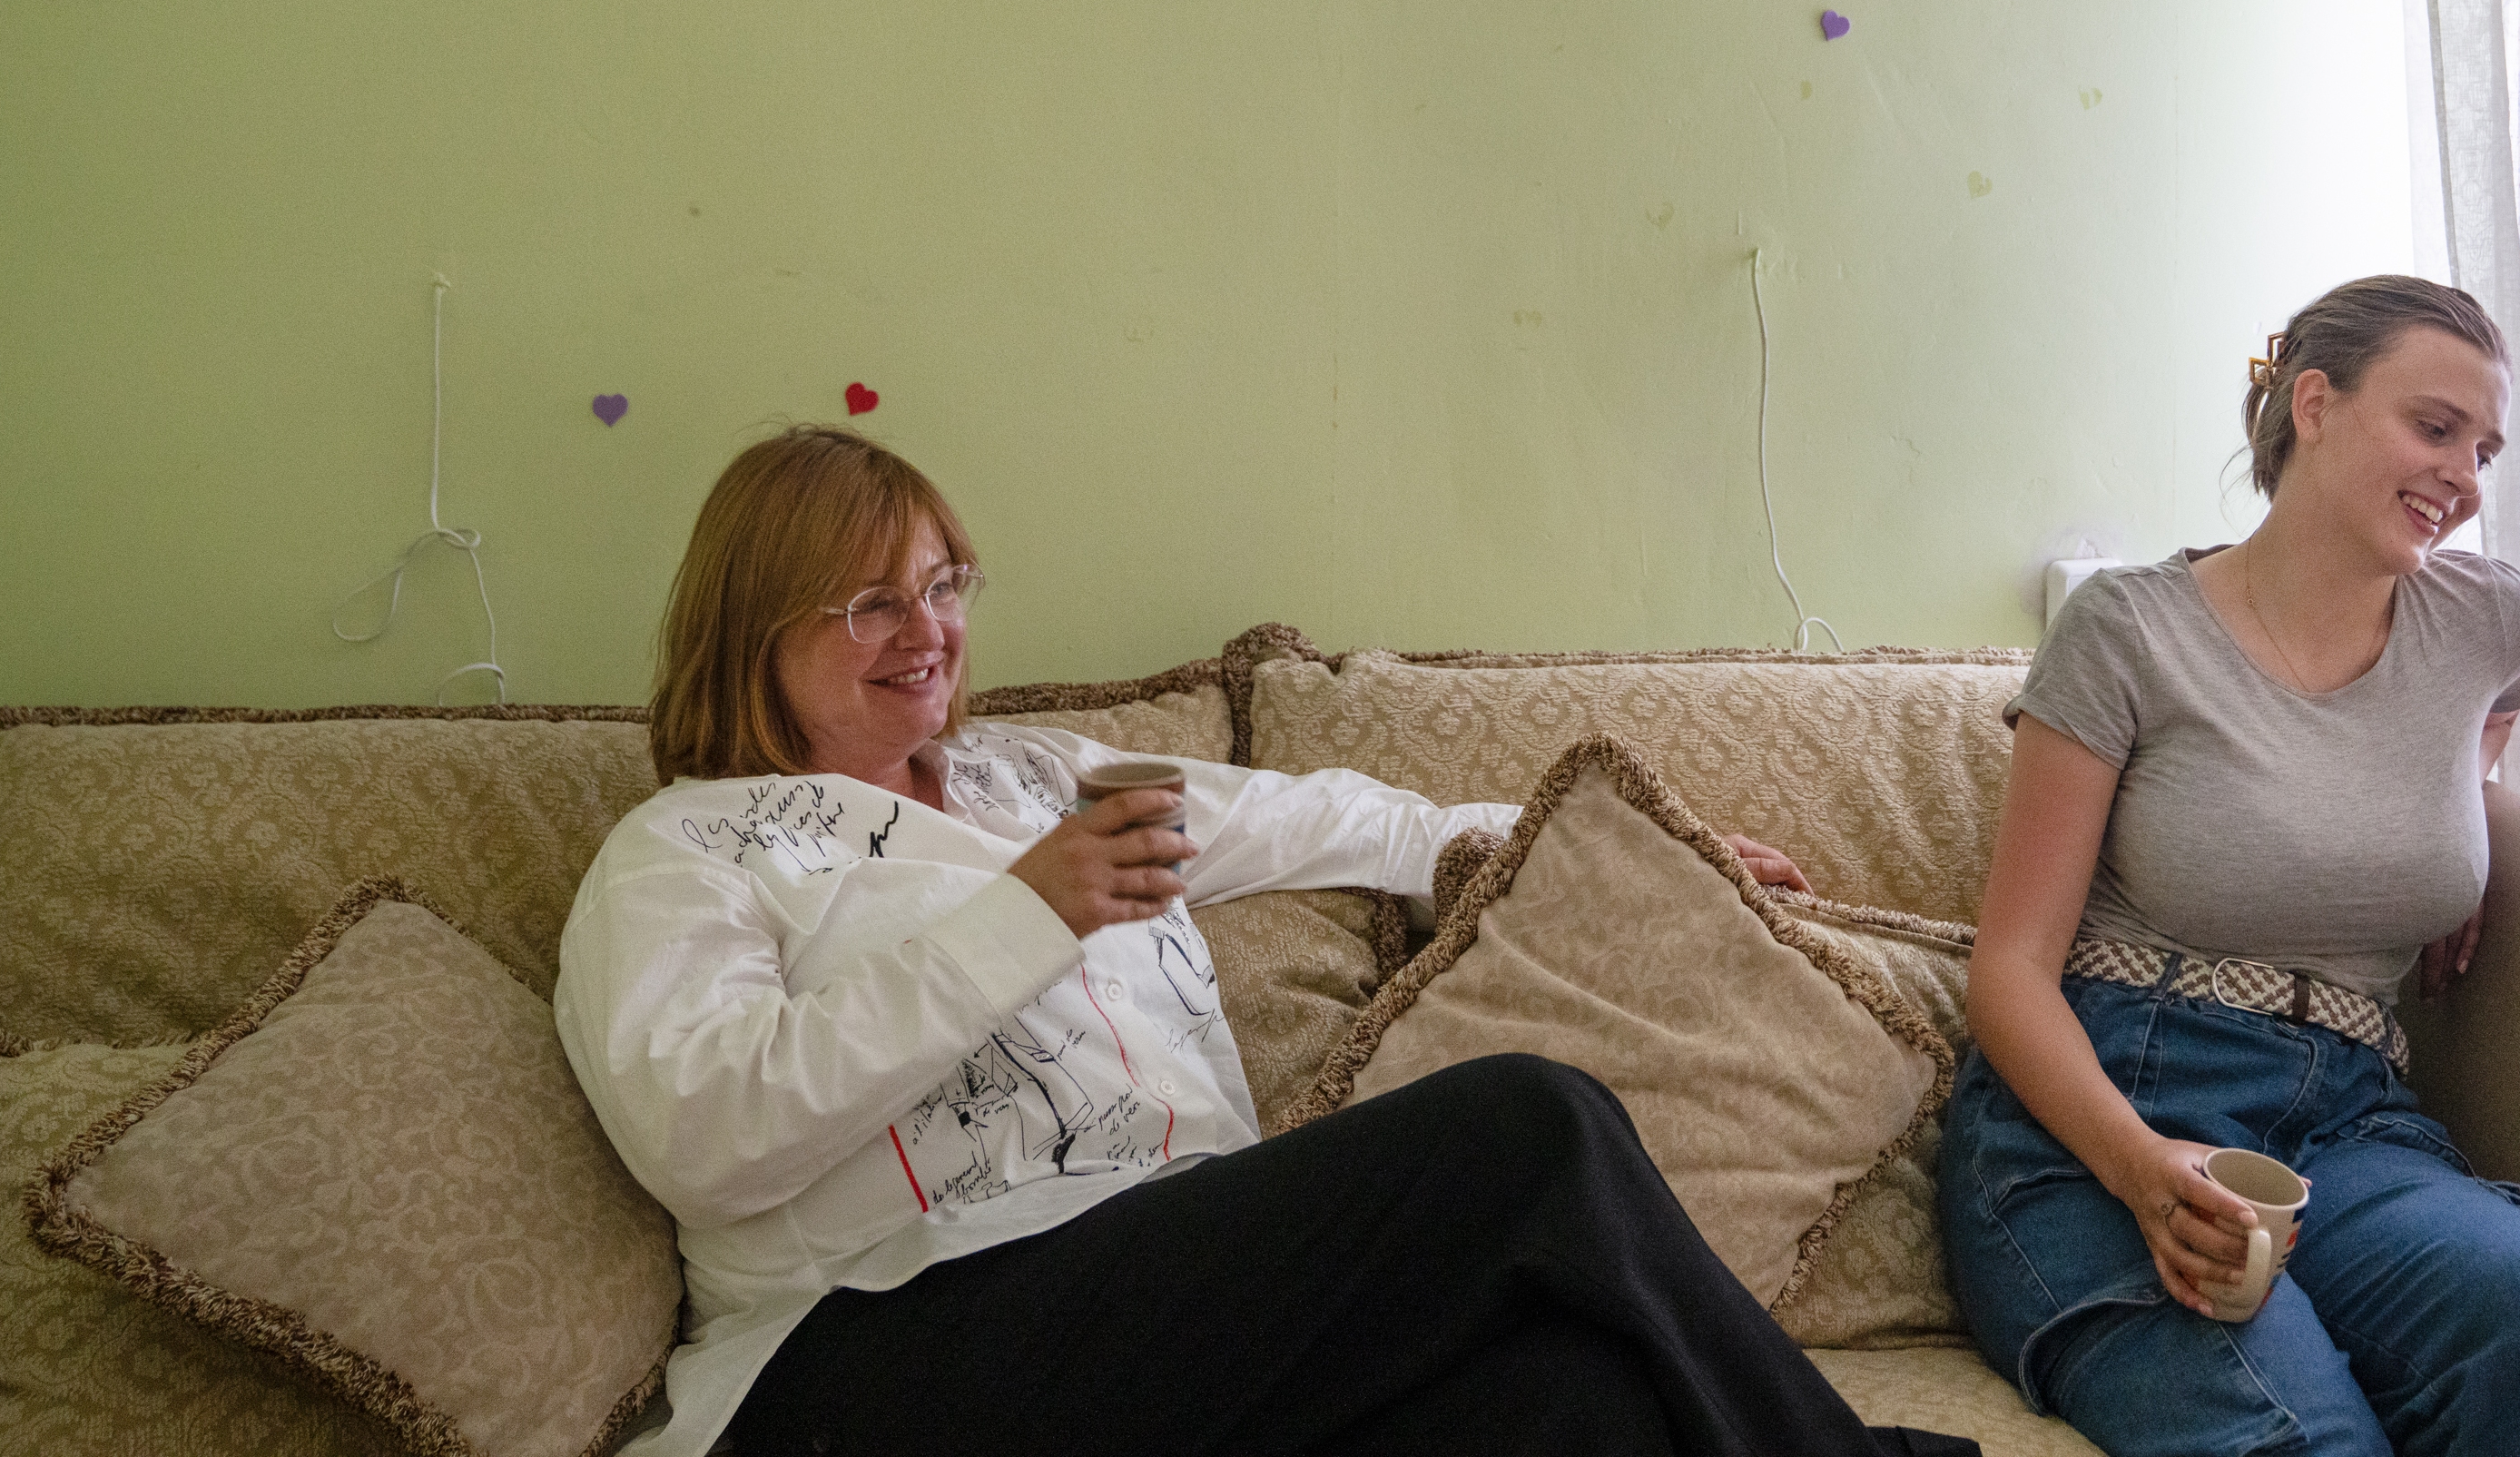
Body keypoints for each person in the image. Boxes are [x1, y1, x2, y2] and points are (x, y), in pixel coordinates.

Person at [556, 424, 1971, 1457]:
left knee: (1572, 1404)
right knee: (1528, 1125)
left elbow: (1323, 822)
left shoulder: (1035, 780)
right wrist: (1027, 911)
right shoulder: (687, 850)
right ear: (752, 626)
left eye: (943, 585)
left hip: (1172, 1310)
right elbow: (703, 1131)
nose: (925, 630)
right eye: (870, 600)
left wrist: (1593, 840)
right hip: (872, 1359)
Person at [1936, 277, 2520, 1457]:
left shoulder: (2488, 619)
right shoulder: (2126, 629)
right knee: (2295, 1441)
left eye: (2482, 447)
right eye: (2434, 428)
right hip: (2110, 1107)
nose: (2465, 477)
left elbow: (2496, 704)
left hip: (2350, 1118)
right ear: (2312, 404)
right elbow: (2010, 969)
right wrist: (2139, 1166)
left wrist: (2439, 821)